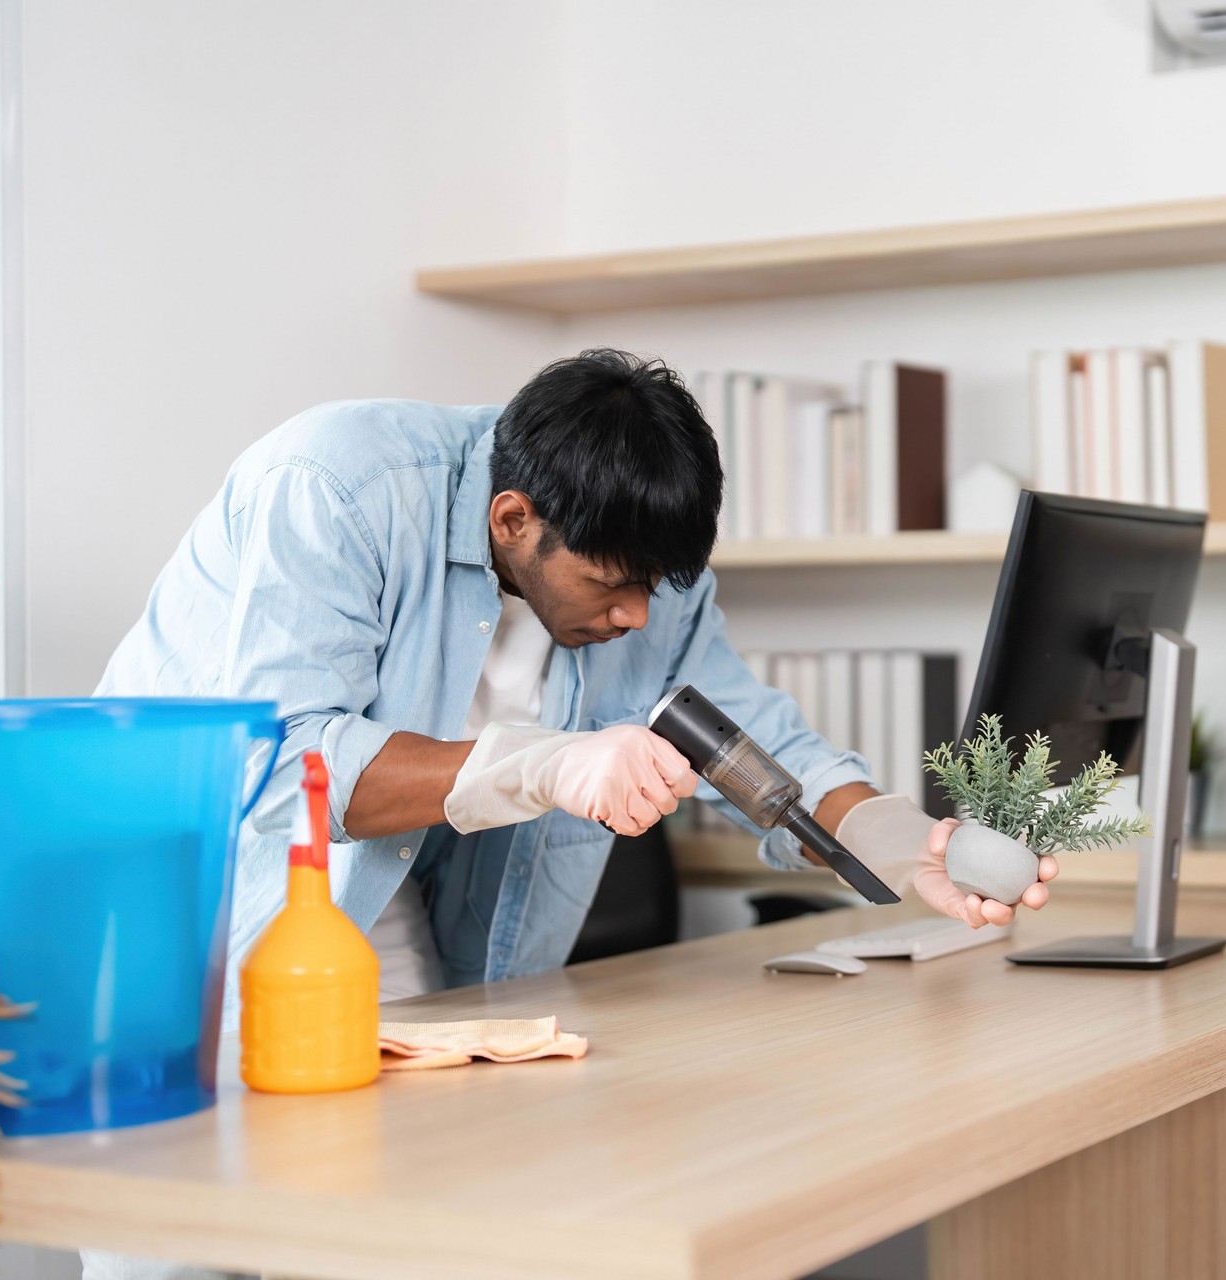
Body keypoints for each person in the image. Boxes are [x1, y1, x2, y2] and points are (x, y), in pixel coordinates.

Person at [83, 350, 1056, 1280]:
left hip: (381, 893)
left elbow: (756, 741)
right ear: (514, 519)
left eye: (653, 589)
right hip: (197, 886)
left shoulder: (640, 569)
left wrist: (897, 840)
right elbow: (285, 763)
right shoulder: (337, 487)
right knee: (181, 1235)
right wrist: (547, 763)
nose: (636, 616)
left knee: (410, 1208)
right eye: (609, 585)